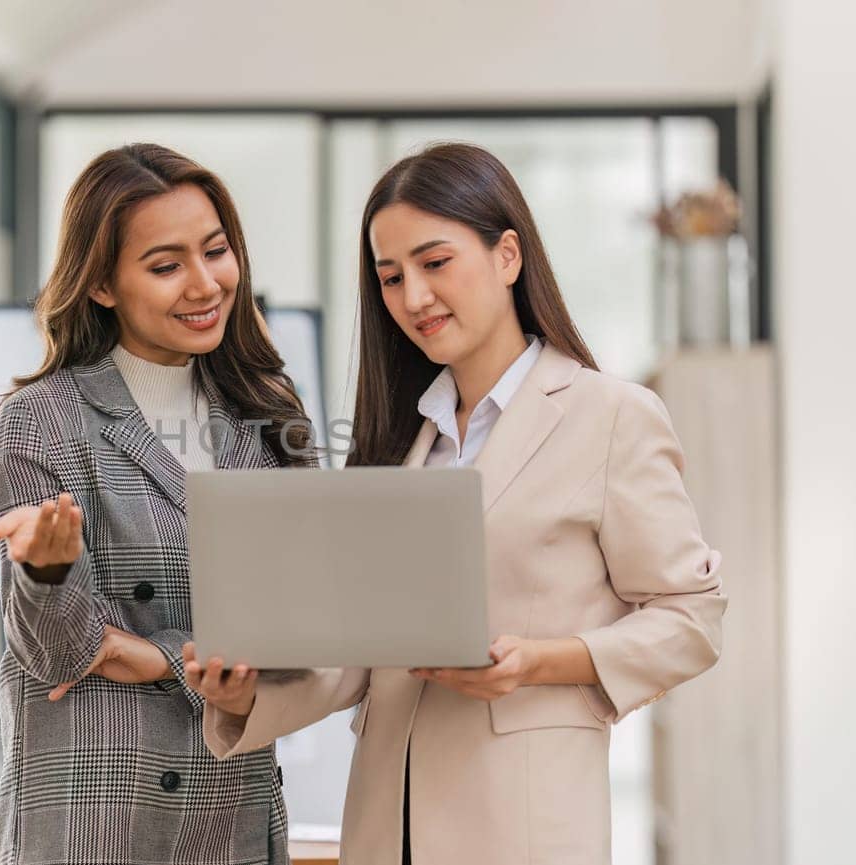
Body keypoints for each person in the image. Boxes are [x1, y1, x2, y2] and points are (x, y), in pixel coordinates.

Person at [185, 142, 727, 865]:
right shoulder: (401, 436)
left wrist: (539, 661)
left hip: (522, 830)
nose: (414, 297)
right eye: (391, 277)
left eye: (435, 263)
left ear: (508, 256)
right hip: (387, 825)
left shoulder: (611, 415)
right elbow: (364, 655)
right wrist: (244, 693)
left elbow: (693, 618)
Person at [0, 142, 314, 864]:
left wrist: (155, 654)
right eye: (165, 266)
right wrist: (44, 573)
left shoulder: (270, 415)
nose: (204, 284)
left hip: (228, 816)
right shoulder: (43, 417)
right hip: (93, 822)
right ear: (102, 285)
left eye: (216, 251)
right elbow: (61, 656)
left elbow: (297, 642)